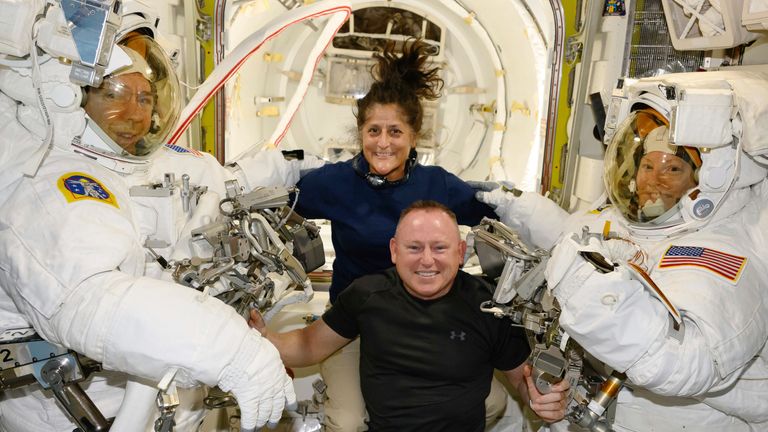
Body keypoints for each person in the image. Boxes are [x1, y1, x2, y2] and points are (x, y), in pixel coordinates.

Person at [0, 3, 320, 430]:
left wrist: (302, 165)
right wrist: (233, 352)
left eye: (146, 97)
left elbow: (226, 180)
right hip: (82, 411)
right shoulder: (44, 176)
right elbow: (93, 298)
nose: (135, 115)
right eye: (115, 96)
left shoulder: (138, 160)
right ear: (72, 95)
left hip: (159, 401)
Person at [477, 96, 768, 430]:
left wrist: (600, 302)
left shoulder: (722, 249)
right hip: (581, 404)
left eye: (672, 168)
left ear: (701, 182)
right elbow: (569, 237)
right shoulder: (618, 217)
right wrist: (515, 206)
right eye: (648, 166)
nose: (653, 179)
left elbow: (689, 361)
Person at [273, 38, 509, 431]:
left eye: (395, 131)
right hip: (353, 325)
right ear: (360, 133)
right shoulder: (334, 183)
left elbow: (495, 217)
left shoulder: (440, 186)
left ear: (414, 136)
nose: (383, 142)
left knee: (490, 403)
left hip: (429, 321)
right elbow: (279, 203)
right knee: (347, 423)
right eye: (374, 130)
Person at [250, 200, 570, 431]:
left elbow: (523, 381)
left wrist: (543, 401)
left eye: (440, 248)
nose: (427, 260)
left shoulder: (490, 307)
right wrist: (259, 339)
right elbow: (308, 345)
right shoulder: (368, 295)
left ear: (460, 253)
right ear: (394, 251)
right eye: (414, 248)